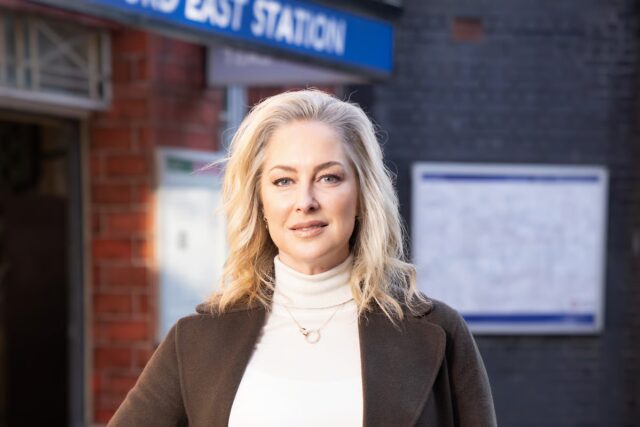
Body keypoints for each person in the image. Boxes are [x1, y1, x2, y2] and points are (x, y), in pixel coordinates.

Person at [108, 89, 497, 426]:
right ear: (260, 202)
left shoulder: (439, 333)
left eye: (329, 177)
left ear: (362, 195)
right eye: (283, 181)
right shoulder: (197, 340)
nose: (305, 202)